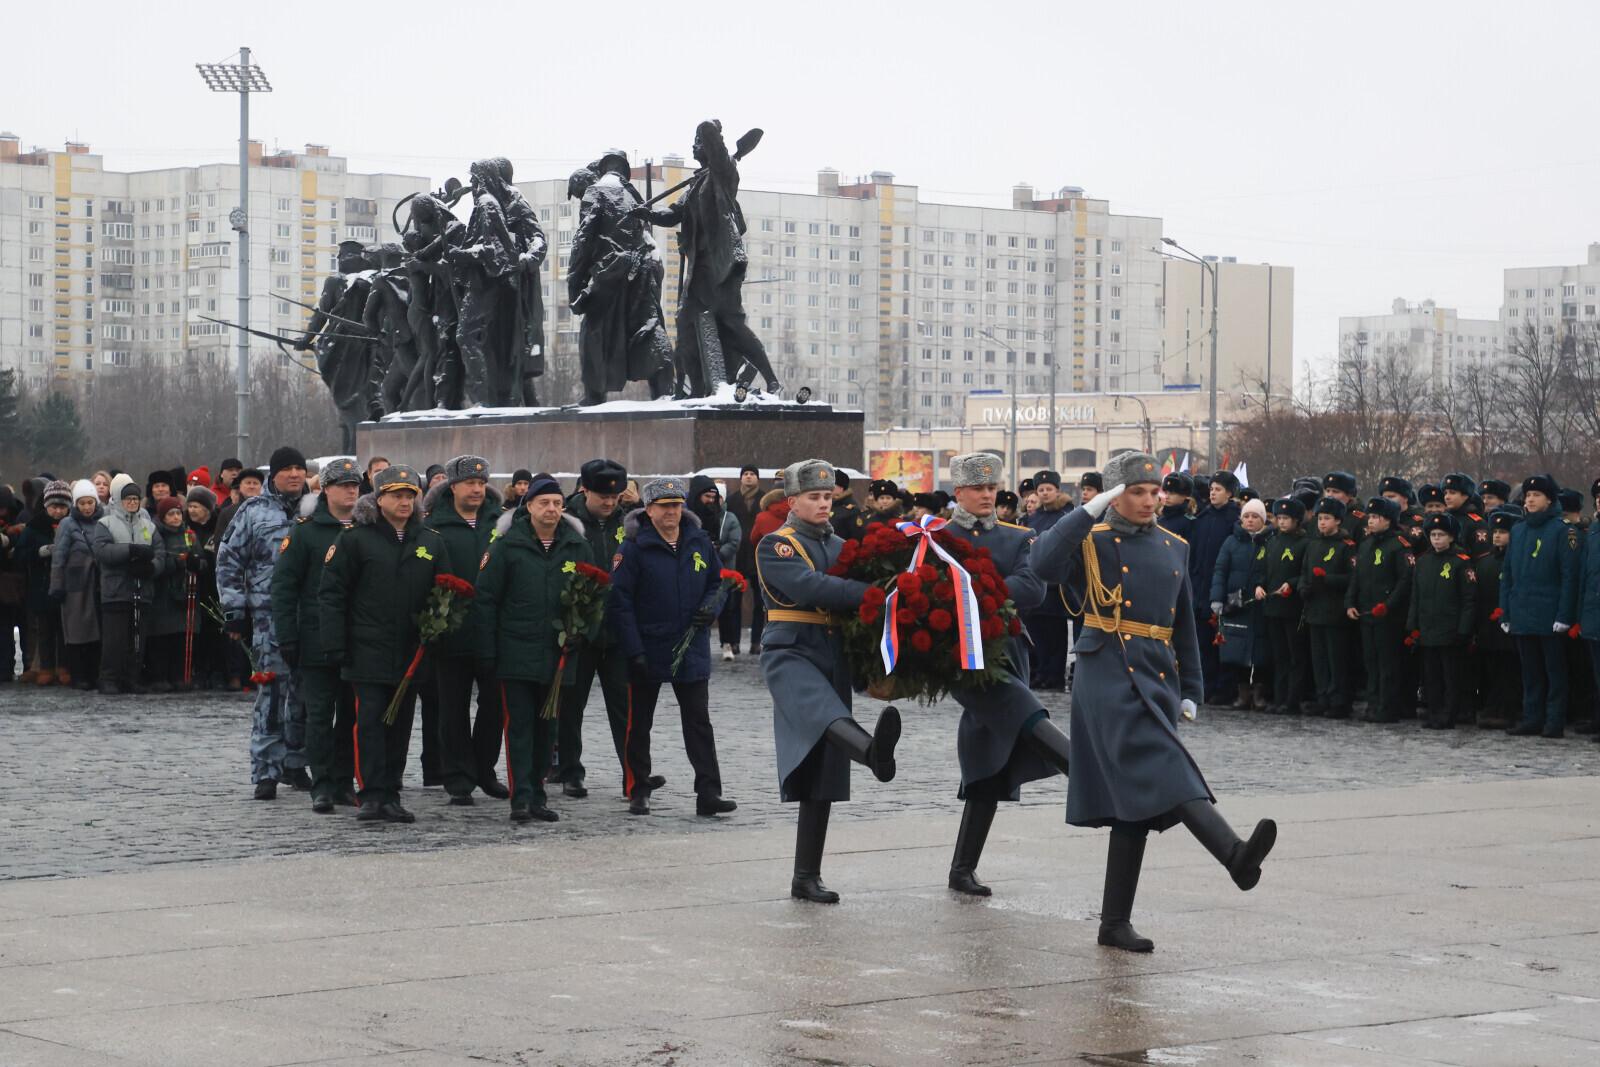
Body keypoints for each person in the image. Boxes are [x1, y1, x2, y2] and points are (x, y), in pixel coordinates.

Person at [1030, 452, 1277, 953]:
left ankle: (1114, 922)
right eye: (1136, 492)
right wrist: (1087, 511)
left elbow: (1181, 621)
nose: (1149, 500)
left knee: (1133, 807)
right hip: (1107, 673)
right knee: (1163, 763)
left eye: (1153, 491)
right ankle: (1233, 854)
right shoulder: (1090, 542)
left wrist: (1191, 688)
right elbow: (1041, 564)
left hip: (1157, 673)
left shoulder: (1174, 545)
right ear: (1113, 496)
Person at [758, 459, 900, 903]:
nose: (823, 503)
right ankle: (872, 752)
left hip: (832, 650)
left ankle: (807, 876)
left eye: (827, 496)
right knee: (823, 713)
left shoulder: (841, 544)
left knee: (821, 771)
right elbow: (812, 588)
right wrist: (877, 593)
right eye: (813, 497)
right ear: (792, 501)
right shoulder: (776, 544)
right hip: (791, 648)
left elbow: (862, 579)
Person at [939, 453, 1070, 896]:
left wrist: (967, 589)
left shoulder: (1020, 537)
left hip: (1009, 650)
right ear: (959, 492)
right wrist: (992, 588)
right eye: (978, 489)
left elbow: (1033, 588)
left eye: (992, 488)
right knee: (1016, 718)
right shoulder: (936, 537)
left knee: (987, 753)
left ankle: (962, 868)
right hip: (957, 655)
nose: (987, 496)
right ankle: (1084, 768)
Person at [319, 465, 451, 822]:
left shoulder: (430, 541)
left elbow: (445, 593)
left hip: (411, 650)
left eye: (410, 495)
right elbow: (332, 594)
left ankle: (391, 790)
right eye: (397, 495)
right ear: (379, 499)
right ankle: (372, 793)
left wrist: (437, 631)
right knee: (372, 722)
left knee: (401, 724)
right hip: (367, 648)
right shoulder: (355, 539)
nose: (405, 502)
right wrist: (335, 644)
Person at [608, 478, 736, 816]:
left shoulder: (698, 541)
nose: (672, 512)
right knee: (640, 723)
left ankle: (709, 792)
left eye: (677, 505)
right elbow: (620, 601)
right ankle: (638, 787)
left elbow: (717, 581)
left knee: (698, 723)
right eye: (665, 506)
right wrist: (633, 650)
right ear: (649, 510)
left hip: (689, 644)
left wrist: (712, 608)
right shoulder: (634, 547)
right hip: (648, 646)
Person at [473, 475, 595, 823]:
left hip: (558, 654)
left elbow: (596, 595)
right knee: (520, 727)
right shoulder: (507, 546)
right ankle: (521, 797)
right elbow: (486, 600)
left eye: (557, 503)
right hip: (516, 653)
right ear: (528, 506)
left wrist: (582, 631)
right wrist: (488, 652)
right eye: (544, 503)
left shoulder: (576, 546)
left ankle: (538, 794)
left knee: (548, 729)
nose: (552, 509)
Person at [217, 447, 311, 799]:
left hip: (309, 619)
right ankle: (266, 770)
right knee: (272, 695)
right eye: (286, 469)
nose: (294, 475)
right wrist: (234, 610)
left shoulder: (315, 510)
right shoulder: (254, 511)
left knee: (304, 695)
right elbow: (228, 562)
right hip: (267, 618)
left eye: (299, 469)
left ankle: (296, 762)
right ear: (273, 475)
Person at [271, 457, 362, 814]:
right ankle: (321, 784)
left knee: (351, 715)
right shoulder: (306, 531)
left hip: (357, 638)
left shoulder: (367, 526)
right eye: (343, 485)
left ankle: (344, 781)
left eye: (355, 485)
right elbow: (284, 589)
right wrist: (287, 637)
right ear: (326, 490)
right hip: (316, 638)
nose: (351, 491)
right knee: (320, 714)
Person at [422, 455, 509, 805]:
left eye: (481, 482)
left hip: (493, 632)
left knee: (494, 706)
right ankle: (458, 777)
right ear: (452, 486)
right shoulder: (432, 526)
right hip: (450, 632)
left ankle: (484, 768)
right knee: (451, 708)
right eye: (469, 483)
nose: (476, 488)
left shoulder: (501, 523)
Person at [560, 459, 639, 797]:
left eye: (616, 496)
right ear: (585, 490)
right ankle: (570, 771)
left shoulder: (631, 524)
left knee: (625, 707)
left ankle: (633, 774)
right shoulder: (566, 523)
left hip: (618, 631)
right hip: (578, 630)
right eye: (603, 496)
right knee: (570, 705)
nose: (610, 503)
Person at [1501, 474, 1580, 738]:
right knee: (1530, 671)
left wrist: (1564, 615)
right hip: (1523, 611)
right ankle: (1532, 717)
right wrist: (1506, 610)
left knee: (1554, 671)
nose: (1530, 499)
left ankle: (1554, 720)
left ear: (1549, 500)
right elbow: (1508, 574)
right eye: (1528, 495)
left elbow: (1570, 577)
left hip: (1550, 614)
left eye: (1536, 495)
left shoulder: (1562, 530)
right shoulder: (1519, 529)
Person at [91, 474, 165, 695]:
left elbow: (160, 552)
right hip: (116, 590)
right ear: (119, 500)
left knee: (137, 639)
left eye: (135, 499)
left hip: (141, 590)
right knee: (115, 640)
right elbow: (102, 551)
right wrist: (129, 550)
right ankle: (109, 678)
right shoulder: (105, 523)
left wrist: (152, 567)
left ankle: (132, 677)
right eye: (128, 499)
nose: (132, 502)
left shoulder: (148, 526)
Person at [1347, 497, 1412, 723]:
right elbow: (1357, 577)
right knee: (1371, 661)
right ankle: (1373, 704)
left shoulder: (1399, 545)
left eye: (1376, 517)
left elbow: (1404, 581)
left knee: (1388, 663)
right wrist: (1350, 603)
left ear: (1389, 520)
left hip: (1388, 615)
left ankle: (1388, 706)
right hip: (1366, 611)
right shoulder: (1365, 545)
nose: (1371, 521)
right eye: (1370, 517)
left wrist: (1388, 605)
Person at [1409, 513, 1476, 729]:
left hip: (1450, 629)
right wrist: (1413, 625)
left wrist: (1464, 629)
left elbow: (1469, 599)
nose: (1436, 539)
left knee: (1451, 677)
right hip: (1428, 628)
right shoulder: (1424, 562)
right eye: (1433, 535)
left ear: (1451, 537)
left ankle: (1449, 714)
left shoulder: (1461, 563)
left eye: (1441, 535)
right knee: (1432, 676)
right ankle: (1434, 712)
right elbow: (1416, 596)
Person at [1210, 497, 1271, 710]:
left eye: (1255, 516)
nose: (1250, 520)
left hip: (1261, 605)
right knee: (1236, 652)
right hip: (1236, 604)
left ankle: (1259, 694)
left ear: (1263, 520)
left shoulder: (1270, 541)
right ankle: (1242, 693)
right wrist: (1217, 598)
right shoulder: (1231, 542)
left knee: (1261, 653)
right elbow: (1220, 571)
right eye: (1247, 516)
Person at [1301, 497, 1358, 718]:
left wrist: (1328, 579)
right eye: (1320, 518)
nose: (1322, 523)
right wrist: (1304, 587)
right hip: (1315, 609)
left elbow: (1352, 577)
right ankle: (1322, 697)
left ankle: (1339, 700)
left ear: (1338, 521)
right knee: (1320, 659)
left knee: (1337, 659)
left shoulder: (1346, 546)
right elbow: (1305, 570)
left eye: (1327, 519)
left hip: (1335, 611)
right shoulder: (1313, 544)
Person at [1189, 471, 1241, 705]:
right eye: (1211, 488)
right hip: (1201, 588)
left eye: (1218, 489)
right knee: (1203, 642)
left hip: (1223, 588)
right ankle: (1206, 685)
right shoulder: (1203, 517)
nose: (1212, 493)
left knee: (1223, 641)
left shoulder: (1235, 520)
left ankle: (1225, 687)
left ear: (1230, 493)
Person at [1022, 470, 1073, 690]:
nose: (1044, 493)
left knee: (1055, 634)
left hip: (1055, 586)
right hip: (1035, 581)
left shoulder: (1065, 515)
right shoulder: (1033, 518)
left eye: (1049, 489)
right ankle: (1041, 672)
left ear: (1057, 490)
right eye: (1040, 489)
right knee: (1038, 633)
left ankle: (1054, 674)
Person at [1260, 497, 1311, 715]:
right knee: (1278, 655)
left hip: (1293, 607)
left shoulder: (1304, 543)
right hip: (1272, 605)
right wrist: (1259, 585)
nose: (1281, 522)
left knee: (1295, 655)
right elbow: (1263, 568)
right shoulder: (1271, 541)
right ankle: (1279, 697)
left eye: (1286, 519)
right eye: (1279, 518)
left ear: (1297, 521)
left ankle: (1292, 699)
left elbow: (1304, 573)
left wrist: (1290, 584)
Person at [50, 480, 102, 689]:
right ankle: (78, 675)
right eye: (82, 503)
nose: (87, 507)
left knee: (96, 631)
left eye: (90, 502)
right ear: (76, 504)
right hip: (75, 584)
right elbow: (59, 556)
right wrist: (57, 585)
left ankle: (93, 673)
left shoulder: (103, 521)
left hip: (97, 583)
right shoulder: (67, 524)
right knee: (76, 631)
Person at [688, 475, 744, 661]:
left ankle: (725, 643)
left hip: (716, 569)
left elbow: (732, 541)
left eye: (714, 498)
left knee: (721, 610)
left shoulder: (722, 516)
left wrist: (715, 554)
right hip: (691, 573)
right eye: (707, 497)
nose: (711, 502)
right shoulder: (687, 516)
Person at [1474, 507, 1521, 729]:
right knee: (1491, 669)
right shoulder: (1484, 561)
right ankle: (1492, 706)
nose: (1497, 536)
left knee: (1509, 670)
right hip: (1487, 626)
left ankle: (1508, 709)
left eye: (1503, 531)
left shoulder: (1517, 559)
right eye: (1495, 531)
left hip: (1509, 625)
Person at [146, 496, 195, 692]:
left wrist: (196, 562)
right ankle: (159, 676)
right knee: (161, 639)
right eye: (170, 514)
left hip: (184, 592)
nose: (175, 517)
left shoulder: (189, 534)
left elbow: (198, 555)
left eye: (177, 513)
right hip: (163, 593)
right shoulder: (156, 534)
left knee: (180, 639)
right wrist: (175, 563)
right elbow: (157, 559)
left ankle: (179, 676)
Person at [725, 464, 764, 656]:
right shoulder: (732, 500)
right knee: (734, 601)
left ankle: (756, 641)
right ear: (741, 478)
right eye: (746, 474)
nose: (749, 477)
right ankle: (734, 642)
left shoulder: (764, 499)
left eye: (752, 474)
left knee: (760, 602)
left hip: (758, 555)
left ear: (757, 478)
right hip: (737, 556)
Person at [1442, 473, 1490, 558]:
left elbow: (1481, 557)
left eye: (1452, 493)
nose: (1447, 497)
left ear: (1465, 496)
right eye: (1445, 493)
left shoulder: (1476, 523)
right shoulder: (1444, 519)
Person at [830, 469, 866, 541]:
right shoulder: (827, 504)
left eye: (831, 485)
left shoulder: (851, 510)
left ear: (841, 488)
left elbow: (857, 537)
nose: (827, 488)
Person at [1158, 473, 1194, 540]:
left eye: (1172, 493)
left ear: (1185, 496)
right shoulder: (1161, 518)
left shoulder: (1190, 522)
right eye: (1166, 492)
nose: (1167, 497)